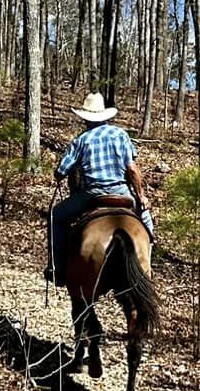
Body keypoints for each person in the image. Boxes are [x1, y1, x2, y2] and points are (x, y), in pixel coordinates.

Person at [45, 92, 153, 281]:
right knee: (147, 221)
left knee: (55, 216)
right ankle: (148, 267)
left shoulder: (81, 140)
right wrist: (141, 196)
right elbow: (133, 170)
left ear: (85, 118)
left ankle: (57, 267)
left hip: (91, 194)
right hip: (122, 191)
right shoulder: (120, 135)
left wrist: (59, 173)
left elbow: (61, 171)